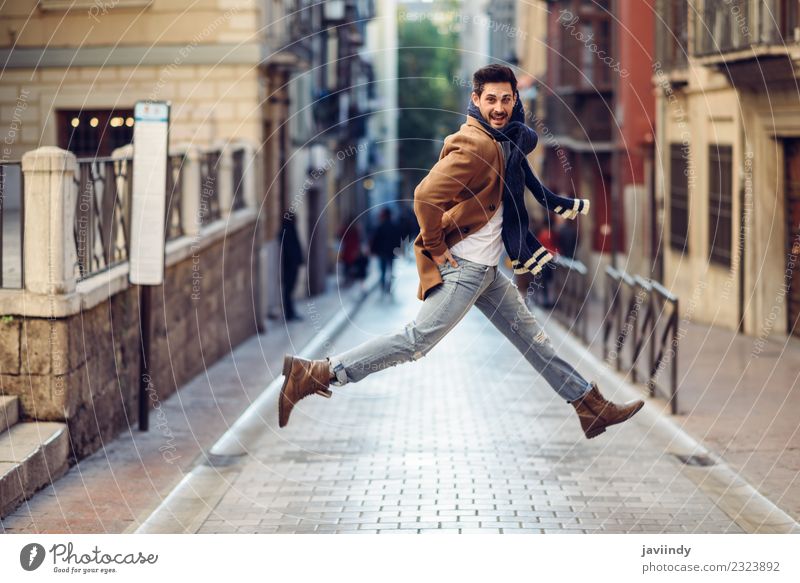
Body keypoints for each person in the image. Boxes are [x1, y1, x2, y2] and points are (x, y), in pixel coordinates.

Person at [278, 64, 643, 439]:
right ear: (476, 100)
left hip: (487, 274)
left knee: (534, 342)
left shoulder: (508, 141)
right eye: (490, 100)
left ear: (515, 100)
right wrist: (436, 248)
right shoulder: (476, 144)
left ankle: (588, 405)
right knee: (415, 340)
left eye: (505, 99)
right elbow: (424, 196)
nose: (498, 107)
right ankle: (318, 372)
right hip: (465, 268)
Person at [370, 208, 403, 295]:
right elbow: (398, 240)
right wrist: (398, 249)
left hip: (382, 252)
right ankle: (389, 286)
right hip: (391, 252)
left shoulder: (380, 226)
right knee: (390, 270)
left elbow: (375, 240)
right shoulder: (394, 226)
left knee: (383, 270)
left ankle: (383, 286)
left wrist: (373, 250)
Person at [278, 214, 304, 322]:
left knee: (290, 290)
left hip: (292, 265)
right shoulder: (287, 232)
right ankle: (289, 313)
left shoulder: (290, 230)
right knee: (288, 290)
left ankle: (291, 312)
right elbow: (290, 249)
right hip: (289, 266)